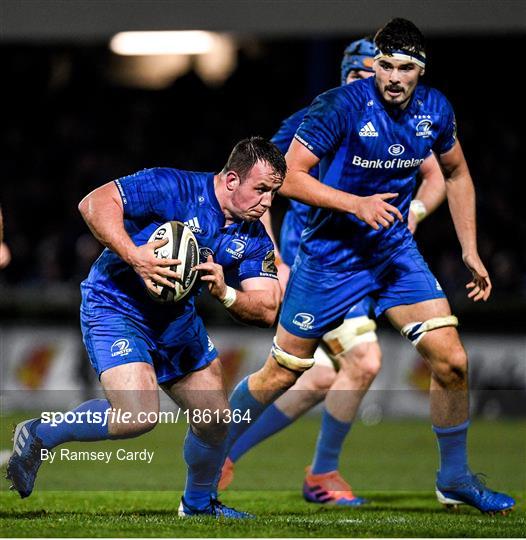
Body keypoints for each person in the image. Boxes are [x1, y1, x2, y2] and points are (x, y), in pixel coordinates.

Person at [225, 19, 515, 515]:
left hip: (389, 251)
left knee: (446, 360)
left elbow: (446, 172)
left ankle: (450, 477)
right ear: (359, 72)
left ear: (418, 71)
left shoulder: (428, 112)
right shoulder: (327, 112)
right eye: (377, 67)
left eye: (403, 67)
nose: (387, 78)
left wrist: (455, 238)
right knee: (296, 372)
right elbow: (274, 186)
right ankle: (222, 444)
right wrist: (272, 259)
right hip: (322, 258)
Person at [6, 137, 286, 519]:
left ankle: (198, 506)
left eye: (274, 192)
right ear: (232, 179)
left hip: (174, 320)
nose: (268, 202)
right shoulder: (171, 186)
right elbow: (94, 203)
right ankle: (41, 433)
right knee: (137, 416)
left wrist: (226, 293)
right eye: (262, 189)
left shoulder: (253, 238)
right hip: (116, 305)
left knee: (216, 419)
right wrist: (135, 256)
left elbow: (268, 307)